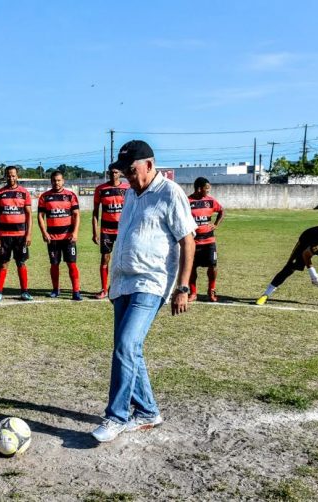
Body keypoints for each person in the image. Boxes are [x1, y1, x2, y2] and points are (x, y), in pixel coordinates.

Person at [91, 140, 196, 443]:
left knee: (125, 344)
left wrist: (183, 287)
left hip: (151, 282)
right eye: (124, 172)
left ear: (150, 165)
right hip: (123, 282)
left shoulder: (169, 193)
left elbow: (188, 240)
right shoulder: (131, 195)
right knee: (129, 350)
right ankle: (148, 411)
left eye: (132, 171)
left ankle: (116, 417)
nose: (128, 177)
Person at [0, 165, 33, 302]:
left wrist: (29, 234)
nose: (11, 178)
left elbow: (29, 215)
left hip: (20, 236)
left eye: (13, 175)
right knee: (3, 263)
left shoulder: (24, 193)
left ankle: (24, 292)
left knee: (21, 262)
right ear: (6, 176)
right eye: (9, 175)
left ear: (17, 176)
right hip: (4, 236)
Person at [37, 170, 82, 301]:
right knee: (54, 265)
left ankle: (76, 291)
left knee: (72, 264)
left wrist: (75, 232)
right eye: (54, 180)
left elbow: (76, 215)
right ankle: (56, 289)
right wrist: (44, 232)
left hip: (68, 238)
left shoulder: (70, 196)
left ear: (63, 181)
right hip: (53, 239)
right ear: (51, 181)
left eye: (59, 180)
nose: (56, 183)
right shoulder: (45, 197)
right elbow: (40, 216)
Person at [92, 164, 130, 299]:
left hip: (123, 231)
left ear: (120, 173)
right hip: (106, 231)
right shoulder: (101, 189)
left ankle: (124, 288)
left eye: (115, 172)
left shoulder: (127, 189)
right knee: (105, 259)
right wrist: (95, 232)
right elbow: (95, 212)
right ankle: (104, 289)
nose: (113, 175)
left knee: (125, 259)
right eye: (111, 172)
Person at [187, 177, 225, 302]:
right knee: (192, 267)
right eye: (207, 189)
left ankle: (211, 290)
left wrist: (216, 224)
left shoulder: (210, 201)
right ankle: (193, 292)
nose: (208, 191)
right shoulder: (187, 201)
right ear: (199, 189)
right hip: (193, 241)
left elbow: (221, 211)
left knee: (213, 266)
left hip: (209, 241)